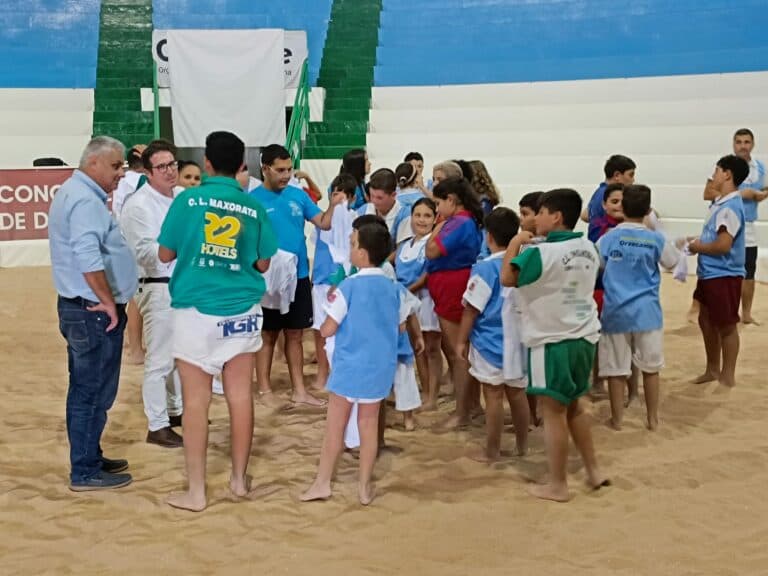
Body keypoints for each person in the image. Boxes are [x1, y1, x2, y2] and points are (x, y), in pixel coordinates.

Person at [158, 131, 278, 512]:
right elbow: (263, 262)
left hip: (195, 309)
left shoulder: (187, 200)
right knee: (240, 396)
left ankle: (196, 492)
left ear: (206, 163)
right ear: (241, 165)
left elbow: (164, 254)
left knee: (196, 401)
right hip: (241, 308)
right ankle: (239, 481)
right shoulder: (253, 206)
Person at [502, 188, 609, 502]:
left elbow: (508, 278)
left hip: (551, 339)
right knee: (575, 405)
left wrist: (515, 243)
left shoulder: (539, 253)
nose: (536, 218)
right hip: (584, 334)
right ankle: (592, 469)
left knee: (553, 412)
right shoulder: (589, 246)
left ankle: (558, 484)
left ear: (556, 216)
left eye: (542, 212)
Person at [48, 136, 138, 491]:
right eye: (116, 166)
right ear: (94, 164)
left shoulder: (76, 193)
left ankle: (90, 454)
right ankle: (84, 469)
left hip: (84, 308)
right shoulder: (85, 200)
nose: (121, 173)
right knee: (91, 391)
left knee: (90, 389)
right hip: (92, 311)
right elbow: (88, 256)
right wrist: (107, 301)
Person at [301, 222, 402, 506]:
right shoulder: (392, 286)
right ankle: (364, 486)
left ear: (362, 253)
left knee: (335, 426)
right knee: (368, 426)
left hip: (349, 366)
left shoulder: (349, 285)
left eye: (353, 243)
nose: (350, 247)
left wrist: (326, 328)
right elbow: (400, 323)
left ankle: (322, 482)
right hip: (379, 368)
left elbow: (328, 328)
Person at [250, 144, 346, 409]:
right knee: (268, 334)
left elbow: (323, 223)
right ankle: (265, 390)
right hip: (267, 276)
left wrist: (334, 206)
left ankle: (299, 390)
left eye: (289, 169)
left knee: (295, 334)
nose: (285, 174)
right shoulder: (253, 199)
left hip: (299, 275)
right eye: (280, 170)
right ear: (265, 168)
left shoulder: (298, 196)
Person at [596, 185, 679, 431]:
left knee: (616, 369)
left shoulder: (609, 237)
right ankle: (652, 418)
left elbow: (596, 263)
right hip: (648, 313)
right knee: (651, 368)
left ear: (622, 207)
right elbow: (672, 262)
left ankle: (618, 419)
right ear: (647, 210)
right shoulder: (655, 238)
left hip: (615, 312)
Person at [120, 139, 184, 448]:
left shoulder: (182, 197)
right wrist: (179, 247)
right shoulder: (137, 205)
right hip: (157, 286)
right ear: (148, 172)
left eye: (173, 164)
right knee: (159, 359)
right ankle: (157, 424)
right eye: (162, 167)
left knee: (177, 354)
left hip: (181, 285)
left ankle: (175, 411)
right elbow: (147, 253)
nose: (170, 171)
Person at [458, 207, 529, 462]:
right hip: (519, 338)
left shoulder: (484, 269)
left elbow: (471, 309)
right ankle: (523, 445)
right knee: (517, 393)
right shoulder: (523, 263)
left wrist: (461, 340)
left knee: (493, 394)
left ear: (488, 236)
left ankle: (493, 449)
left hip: (489, 340)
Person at [425, 177, 483, 428]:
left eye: (438, 203)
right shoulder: (464, 221)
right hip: (450, 283)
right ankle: (471, 406)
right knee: (462, 350)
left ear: (451, 200)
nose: (437, 209)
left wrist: (436, 227)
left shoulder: (458, 222)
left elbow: (432, 251)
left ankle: (462, 412)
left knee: (458, 351)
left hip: (452, 284)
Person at [689, 155, 750, 389]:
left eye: (716, 171)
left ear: (727, 174)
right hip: (709, 273)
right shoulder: (720, 204)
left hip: (723, 274)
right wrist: (695, 241)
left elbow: (724, 245)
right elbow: (714, 239)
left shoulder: (730, 208)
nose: (712, 176)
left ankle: (728, 374)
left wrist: (697, 247)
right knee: (706, 320)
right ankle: (712, 368)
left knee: (726, 325)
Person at [704, 129, 767, 324]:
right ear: (733, 144)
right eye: (739, 142)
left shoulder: (760, 168)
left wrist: (760, 194)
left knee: (749, 270)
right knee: (714, 266)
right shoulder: (723, 166)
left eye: (746, 142)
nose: (742, 146)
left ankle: (746, 313)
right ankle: (701, 308)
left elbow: (764, 189)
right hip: (723, 222)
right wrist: (742, 194)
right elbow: (707, 193)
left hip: (748, 225)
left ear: (753, 144)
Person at [310, 173, 359, 391]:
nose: (338, 198)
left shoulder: (357, 219)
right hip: (322, 279)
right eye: (334, 193)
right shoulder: (323, 219)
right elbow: (323, 231)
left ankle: (342, 372)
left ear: (352, 197)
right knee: (320, 328)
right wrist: (332, 206)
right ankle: (322, 372)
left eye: (342, 194)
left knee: (345, 329)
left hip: (347, 281)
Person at [395, 198, 442, 411]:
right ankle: (424, 391)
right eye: (417, 215)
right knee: (417, 348)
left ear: (434, 219)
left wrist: (404, 293)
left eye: (427, 216)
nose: (421, 220)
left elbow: (426, 277)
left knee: (432, 348)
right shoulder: (406, 245)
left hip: (425, 302)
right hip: (408, 305)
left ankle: (433, 395)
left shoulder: (432, 243)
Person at [114, 144, 147, 366]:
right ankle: (135, 348)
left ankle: (134, 345)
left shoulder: (125, 182)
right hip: (136, 242)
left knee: (137, 296)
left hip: (127, 241)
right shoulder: (135, 182)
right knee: (138, 296)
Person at [582, 155, 636, 242]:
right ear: (617, 175)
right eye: (631, 175)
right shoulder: (610, 194)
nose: (633, 180)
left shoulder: (598, 192)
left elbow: (584, 216)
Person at [358, 168, 413, 255]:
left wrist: (381, 266)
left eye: (379, 198)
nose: (374, 201)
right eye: (372, 196)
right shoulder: (363, 211)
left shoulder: (404, 215)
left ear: (393, 195)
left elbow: (400, 251)